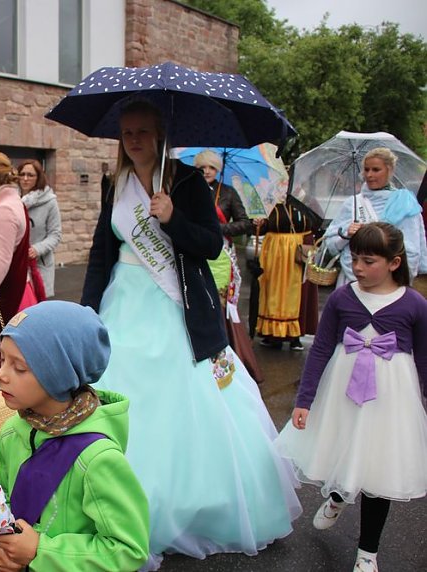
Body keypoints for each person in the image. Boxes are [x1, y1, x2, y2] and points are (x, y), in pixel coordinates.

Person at [81, 98, 300, 569]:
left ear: (160, 134)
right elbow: (102, 251)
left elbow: (209, 243)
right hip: (124, 300)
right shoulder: (114, 183)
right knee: (118, 396)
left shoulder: (184, 180)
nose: (133, 139)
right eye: (127, 132)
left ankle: (190, 506)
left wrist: (172, 217)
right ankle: (112, 501)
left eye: (142, 131)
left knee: (187, 397)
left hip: (176, 307)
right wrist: (87, 310)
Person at [275, 222, 427, 572]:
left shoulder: (414, 304)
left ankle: (367, 553)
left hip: (391, 397)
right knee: (344, 451)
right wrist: (304, 399)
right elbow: (321, 349)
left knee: (379, 470)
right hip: (343, 390)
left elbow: (424, 357)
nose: (358, 267)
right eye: (355, 258)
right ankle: (338, 496)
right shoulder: (343, 297)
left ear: (394, 262)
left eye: (368, 260)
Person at [0, 300, 150, 571]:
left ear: (58, 376)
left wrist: (41, 550)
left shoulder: (97, 458)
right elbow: (2, 506)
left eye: (19, 367)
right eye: (2, 359)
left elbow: (128, 549)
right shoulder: (11, 432)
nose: (0, 374)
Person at [193, 150, 263, 381]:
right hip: (196, 251)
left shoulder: (229, 194)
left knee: (221, 304)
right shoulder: (188, 191)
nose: (206, 172)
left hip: (222, 255)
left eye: (211, 168)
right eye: (202, 168)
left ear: (218, 170)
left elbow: (245, 224)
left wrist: (219, 229)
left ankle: (223, 351)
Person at [322, 147, 427, 288]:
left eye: (376, 170)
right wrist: (347, 233)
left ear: (389, 170)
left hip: (388, 284)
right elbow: (330, 243)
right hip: (351, 281)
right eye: (366, 169)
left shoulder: (404, 204)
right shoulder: (352, 203)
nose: (369, 175)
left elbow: (412, 250)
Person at [0, 150, 42, 377]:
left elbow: (0, 260)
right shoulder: (11, 202)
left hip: (2, 297)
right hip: (9, 290)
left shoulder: (3, 210)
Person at [255, 193, 323, 351]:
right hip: (274, 251)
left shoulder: (307, 200)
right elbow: (261, 228)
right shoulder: (269, 200)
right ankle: (271, 333)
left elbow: (317, 226)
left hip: (297, 251)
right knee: (273, 291)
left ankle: (294, 335)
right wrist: (259, 224)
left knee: (297, 291)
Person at [18, 159, 62, 298]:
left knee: (37, 308)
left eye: (30, 175)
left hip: (38, 265)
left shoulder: (50, 202)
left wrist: (37, 249)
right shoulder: (14, 200)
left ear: (38, 178)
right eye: (22, 174)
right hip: (17, 264)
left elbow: (55, 234)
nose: (25, 178)